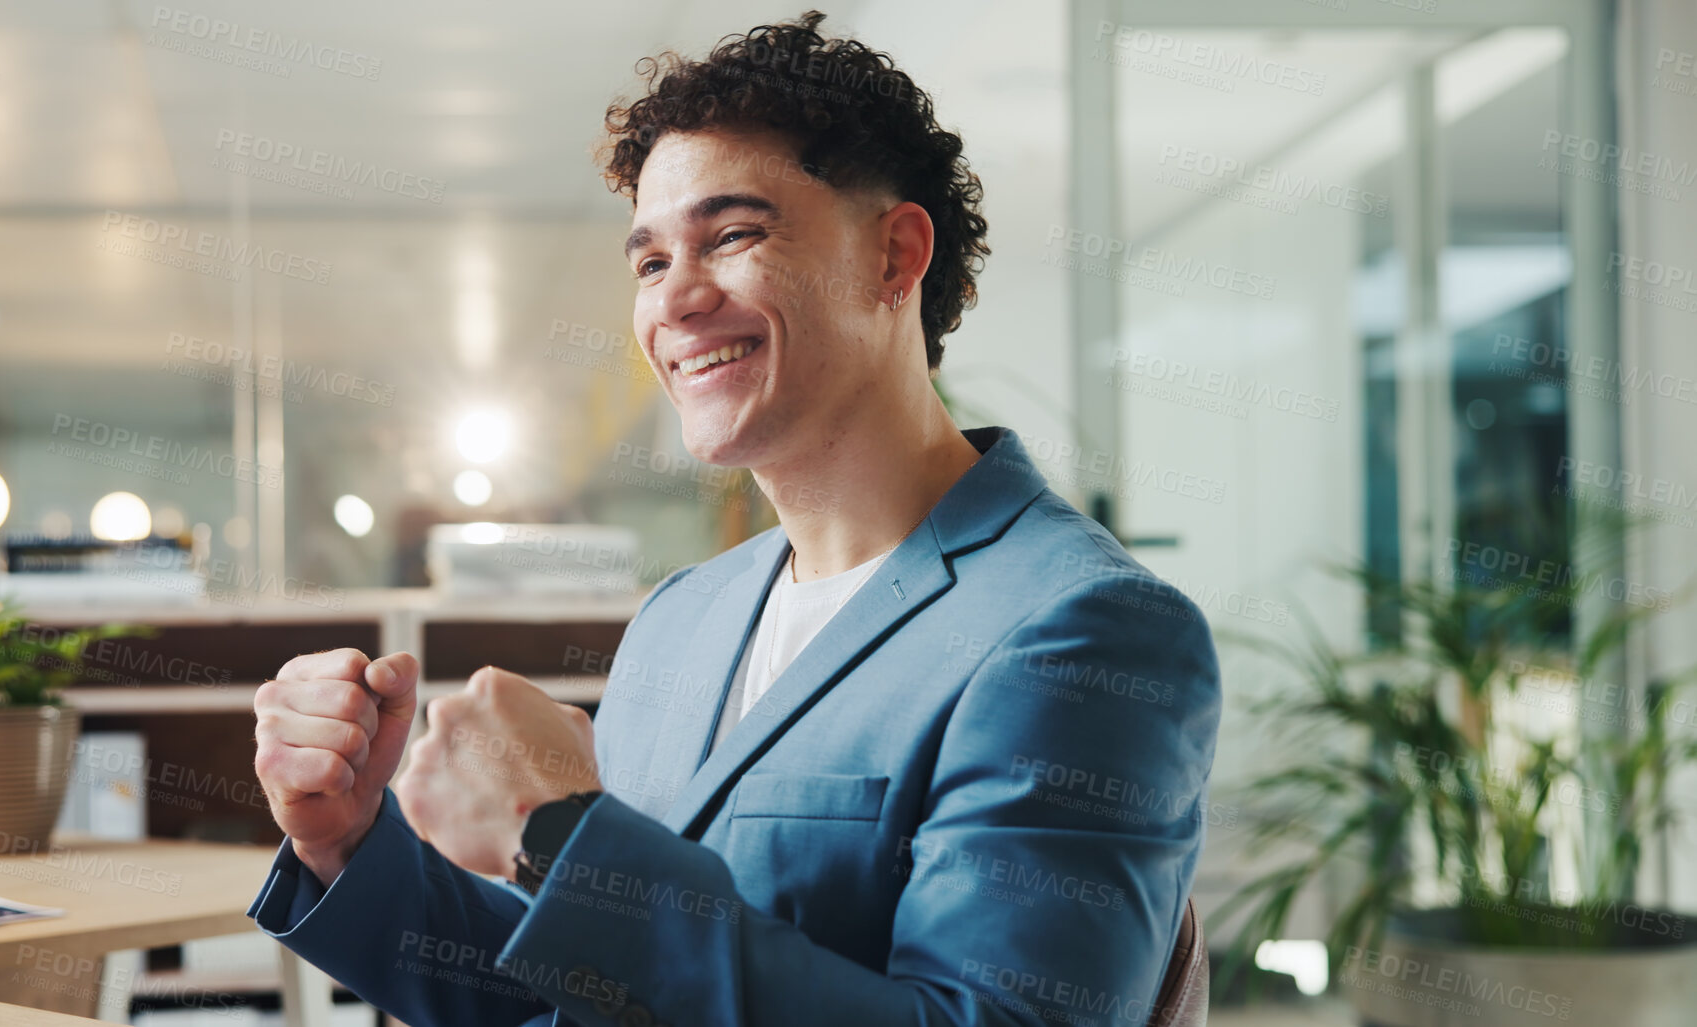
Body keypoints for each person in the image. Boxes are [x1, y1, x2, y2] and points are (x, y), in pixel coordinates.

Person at [248, 11, 1219, 1026]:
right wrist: (349, 845)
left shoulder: (1081, 628)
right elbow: (586, 994)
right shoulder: (686, 614)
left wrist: (558, 831)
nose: (675, 300)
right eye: (651, 262)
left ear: (895, 256)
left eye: (734, 234)